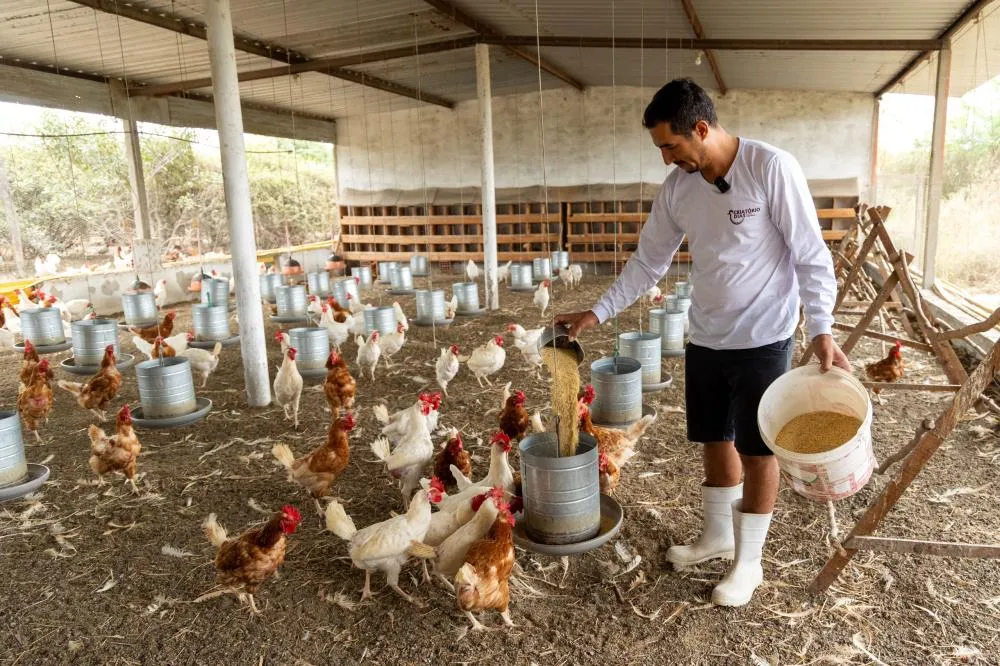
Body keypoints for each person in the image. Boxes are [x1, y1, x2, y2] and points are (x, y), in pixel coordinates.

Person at [554, 78, 850, 608]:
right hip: (707, 335)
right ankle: (717, 537)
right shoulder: (679, 189)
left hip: (763, 336)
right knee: (715, 438)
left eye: (671, 145)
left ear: (702, 128)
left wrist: (822, 328)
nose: (667, 159)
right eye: (660, 149)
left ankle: (749, 562)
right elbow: (648, 261)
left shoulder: (770, 167)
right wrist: (597, 312)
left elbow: (810, 253)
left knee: (758, 449)